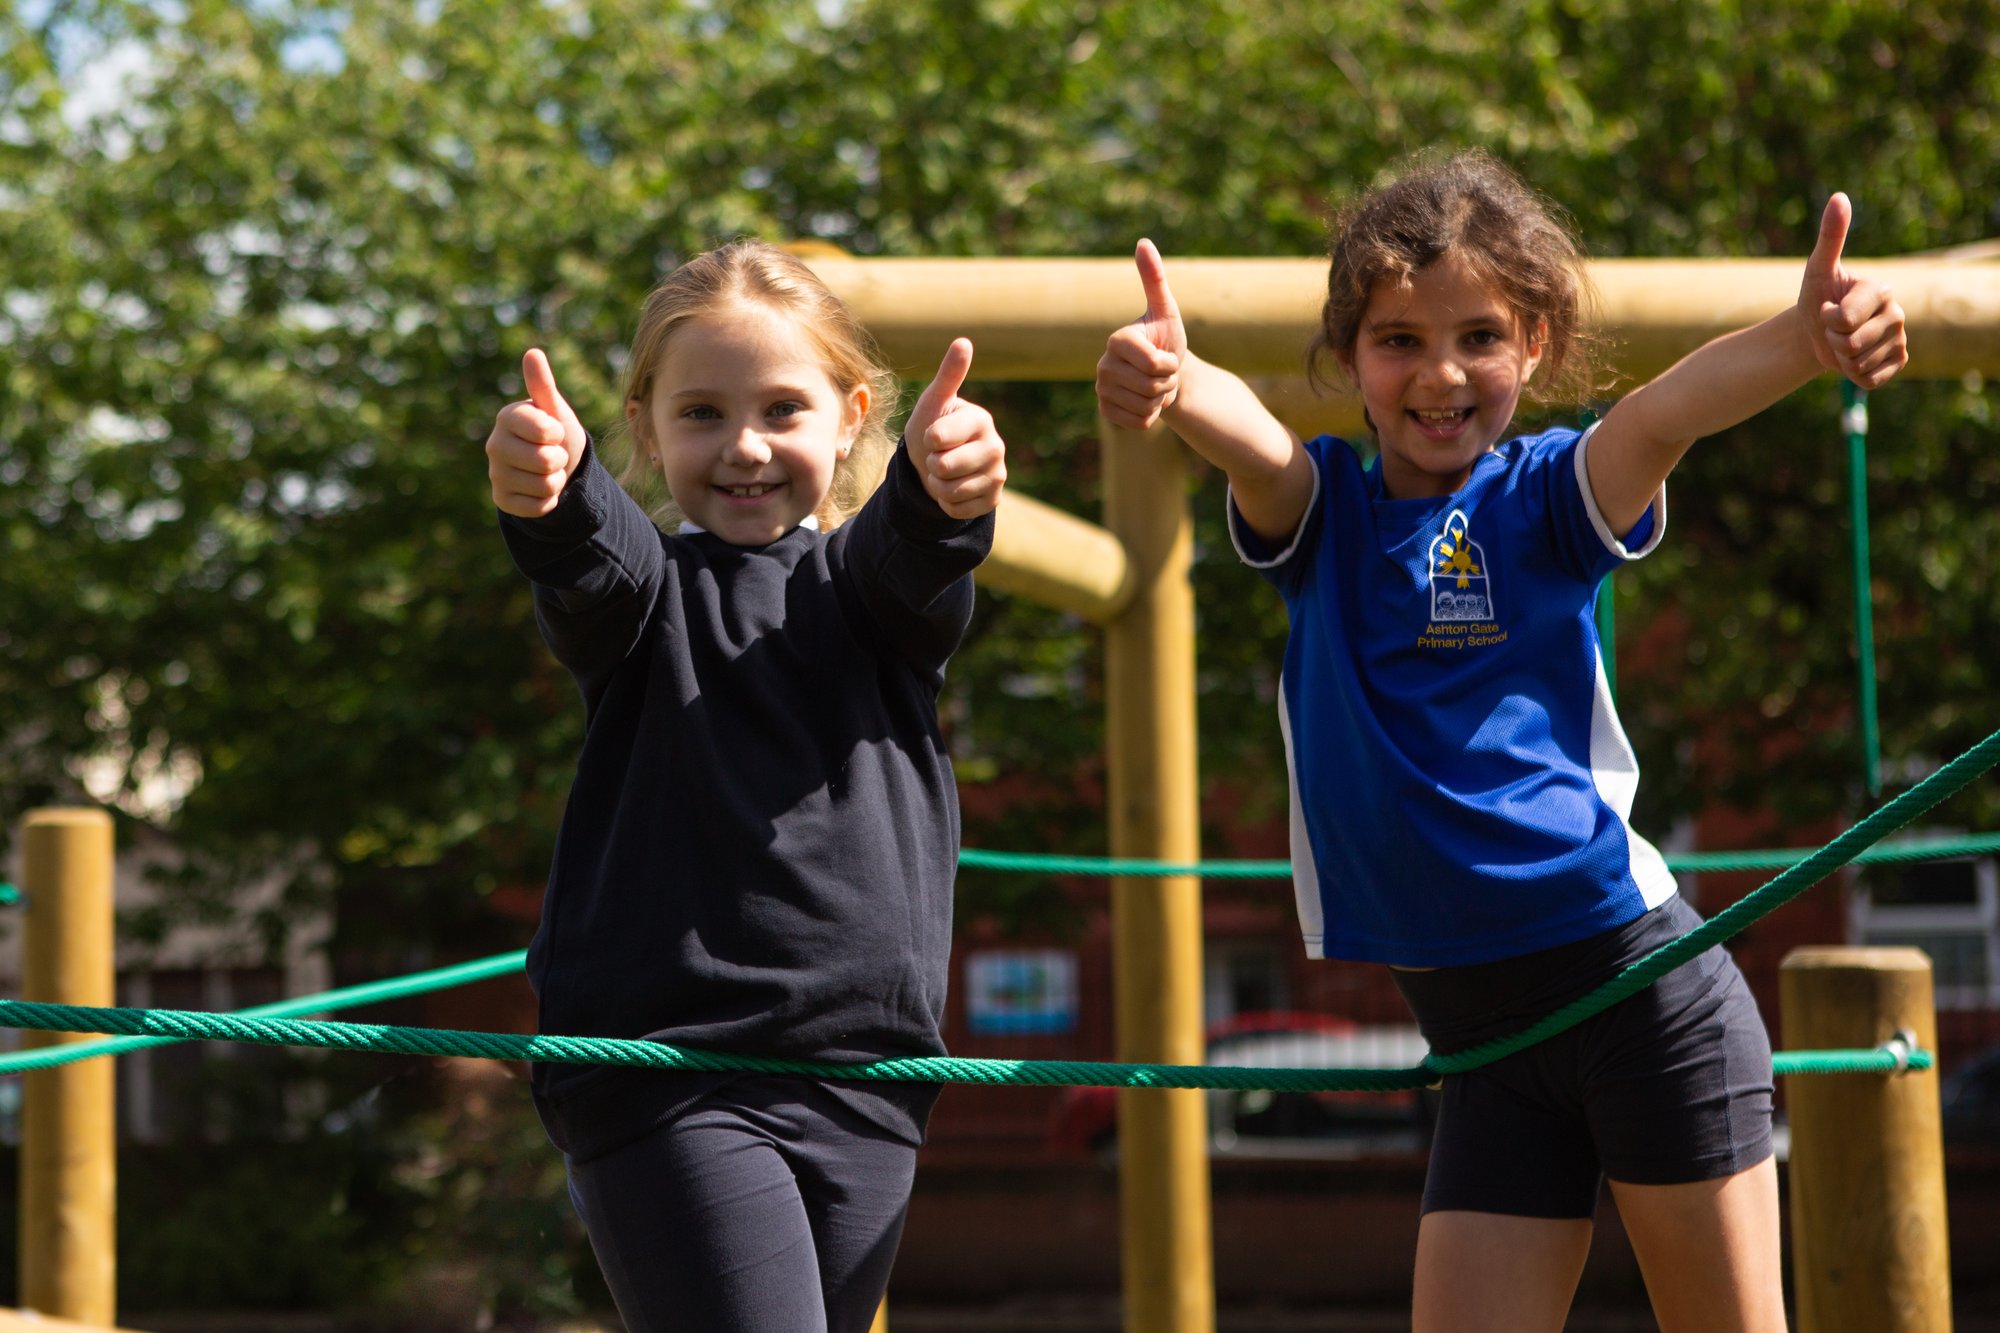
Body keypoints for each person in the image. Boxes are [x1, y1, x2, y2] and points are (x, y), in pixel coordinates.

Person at [1096, 150, 1906, 1333]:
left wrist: (1801, 338)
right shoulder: (1327, 517)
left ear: (1531, 344)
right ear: (1348, 358)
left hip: (1638, 997)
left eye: (1478, 335)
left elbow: (1662, 413)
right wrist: (1176, 379)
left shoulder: (1542, 497)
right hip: (1480, 1044)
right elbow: (1254, 449)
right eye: (1396, 340)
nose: (1439, 372)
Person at [485, 239, 1008, 1333]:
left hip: (867, 1076)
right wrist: (554, 491)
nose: (745, 447)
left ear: (851, 416)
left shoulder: (870, 603)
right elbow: (595, 560)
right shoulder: (643, 607)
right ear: (643, 427)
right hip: (670, 1073)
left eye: (781, 409)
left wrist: (936, 488)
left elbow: (910, 555)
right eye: (701, 415)